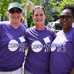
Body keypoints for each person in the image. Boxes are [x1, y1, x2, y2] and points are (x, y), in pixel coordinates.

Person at [24, 6, 55, 74]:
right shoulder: (27, 32)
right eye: (36, 15)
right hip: (29, 70)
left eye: (41, 14)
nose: (39, 17)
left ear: (45, 16)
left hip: (46, 71)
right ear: (33, 17)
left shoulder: (51, 33)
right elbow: (22, 48)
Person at [0, 2, 27, 74]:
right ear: (8, 14)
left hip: (18, 69)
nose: (15, 14)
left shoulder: (24, 29)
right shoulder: (1, 26)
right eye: (12, 11)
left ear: (21, 14)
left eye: (18, 11)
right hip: (2, 70)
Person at [50, 8, 74, 74]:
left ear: (73, 19)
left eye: (68, 17)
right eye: (62, 17)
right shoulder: (57, 34)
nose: (64, 19)